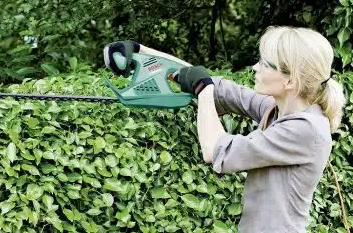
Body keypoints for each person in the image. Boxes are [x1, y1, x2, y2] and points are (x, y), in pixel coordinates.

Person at [103, 26, 346, 233]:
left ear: (290, 81)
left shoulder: (305, 130)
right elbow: (215, 86)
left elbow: (217, 150)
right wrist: (140, 52)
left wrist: (204, 90)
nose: (255, 67)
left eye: (264, 63)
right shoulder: (280, 110)